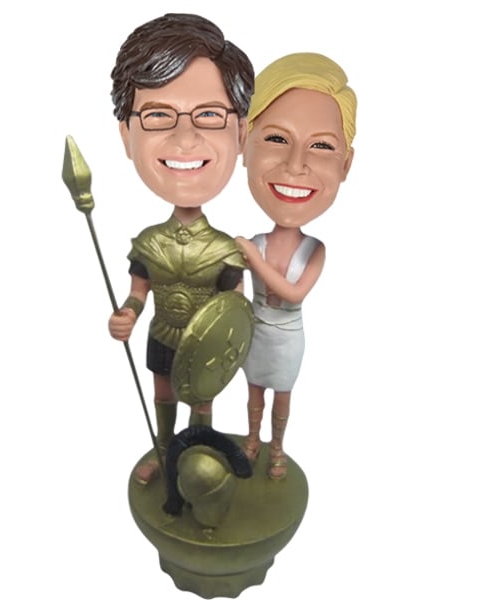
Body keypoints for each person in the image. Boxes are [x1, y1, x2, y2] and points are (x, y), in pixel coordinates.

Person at [108, 14, 254, 484]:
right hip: (162, 333)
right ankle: (164, 450)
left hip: (204, 347)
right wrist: (128, 313)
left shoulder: (226, 251)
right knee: (163, 394)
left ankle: (199, 452)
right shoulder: (149, 242)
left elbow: (235, 311)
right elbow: (139, 292)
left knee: (202, 399)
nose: (186, 138)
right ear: (127, 135)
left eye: (209, 114)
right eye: (158, 115)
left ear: (241, 133)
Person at [236, 53, 357, 479]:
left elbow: (293, 293)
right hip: (254, 336)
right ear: (243, 142)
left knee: (282, 396)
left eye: (321, 146)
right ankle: (252, 439)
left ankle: (277, 447)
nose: (295, 164)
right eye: (276, 138)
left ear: (346, 165)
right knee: (253, 392)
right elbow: (235, 293)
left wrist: (252, 259)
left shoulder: (313, 250)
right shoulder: (255, 241)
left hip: (287, 341)